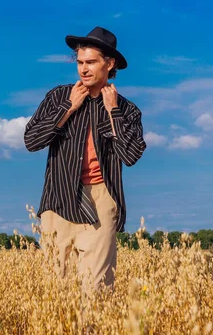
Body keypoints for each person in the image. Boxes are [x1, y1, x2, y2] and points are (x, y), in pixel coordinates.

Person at [24, 26, 147, 292]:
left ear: (109, 63)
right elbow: (31, 141)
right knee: (57, 293)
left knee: (95, 291)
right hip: (58, 201)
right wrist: (67, 108)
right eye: (80, 62)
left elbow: (131, 155)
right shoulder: (58, 97)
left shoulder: (127, 110)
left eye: (91, 62)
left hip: (101, 202)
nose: (84, 69)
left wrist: (113, 112)